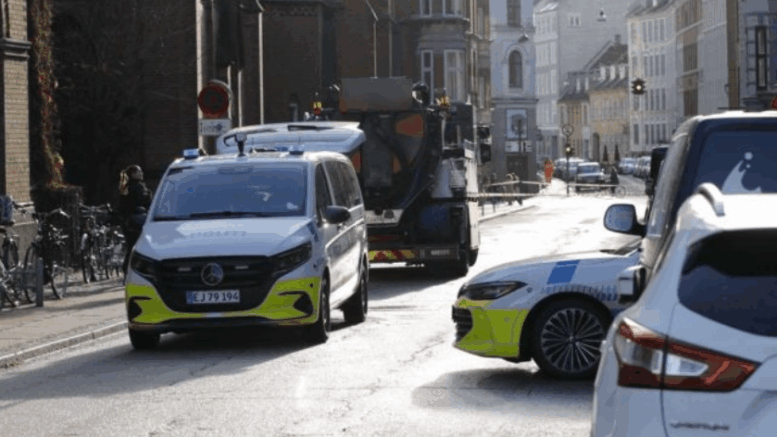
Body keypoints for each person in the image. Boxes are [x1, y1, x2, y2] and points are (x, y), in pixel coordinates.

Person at [117, 165, 152, 275]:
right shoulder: (138, 187)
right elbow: (146, 202)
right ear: (133, 174)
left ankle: (127, 268)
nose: (142, 173)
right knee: (140, 245)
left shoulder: (124, 187)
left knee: (131, 245)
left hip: (127, 222)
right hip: (138, 221)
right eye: (139, 172)